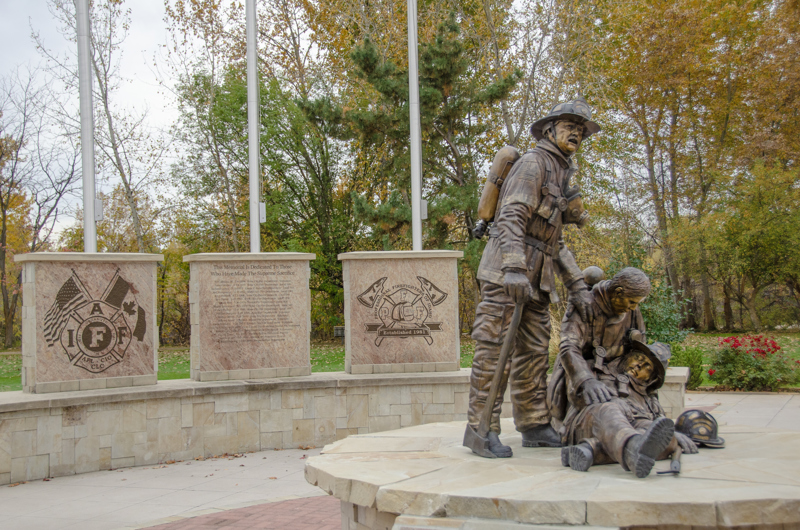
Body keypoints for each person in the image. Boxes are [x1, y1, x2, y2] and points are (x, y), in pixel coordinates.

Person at [467, 97, 600, 458]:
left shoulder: (560, 171)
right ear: (549, 130)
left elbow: (554, 242)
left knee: (534, 352)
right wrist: (513, 268)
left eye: (581, 129)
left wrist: (576, 285)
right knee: (494, 352)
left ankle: (534, 424)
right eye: (569, 126)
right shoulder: (533, 163)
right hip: (506, 275)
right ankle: (480, 429)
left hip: (537, 280)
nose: (576, 133)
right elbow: (511, 217)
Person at [550, 267, 698, 478]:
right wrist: (586, 381)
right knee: (608, 411)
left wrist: (669, 433)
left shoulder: (631, 311)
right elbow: (568, 348)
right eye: (631, 302)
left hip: (621, 388)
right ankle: (631, 449)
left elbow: (643, 356)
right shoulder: (584, 304)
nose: (634, 308)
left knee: (652, 433)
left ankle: (595, 450)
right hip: (586, 385)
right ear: (618, 292)